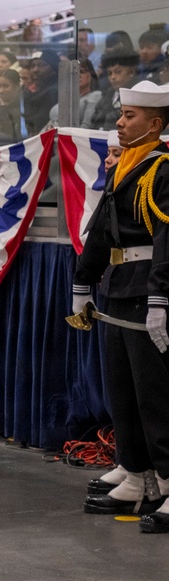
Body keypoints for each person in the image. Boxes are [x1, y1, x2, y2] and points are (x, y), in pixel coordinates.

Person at [75, 81, 169, 533]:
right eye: (121, 114)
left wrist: (160, 298)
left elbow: (166, 240)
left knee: (156, 396)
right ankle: (138, 473)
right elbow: (102, 232)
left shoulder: (162, 170)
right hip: (118, 287)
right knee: (123, 391)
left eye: (129, 116)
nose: (119, 121)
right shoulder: (125, 166)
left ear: (155, 124)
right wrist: (82, 283)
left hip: (147, 290)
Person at [89, 52, 139, 130]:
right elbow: (94, 122)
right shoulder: (107, 95)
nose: (113, 77)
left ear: (131, 72)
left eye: (118, 72)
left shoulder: (137, 94)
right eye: (110, 73)